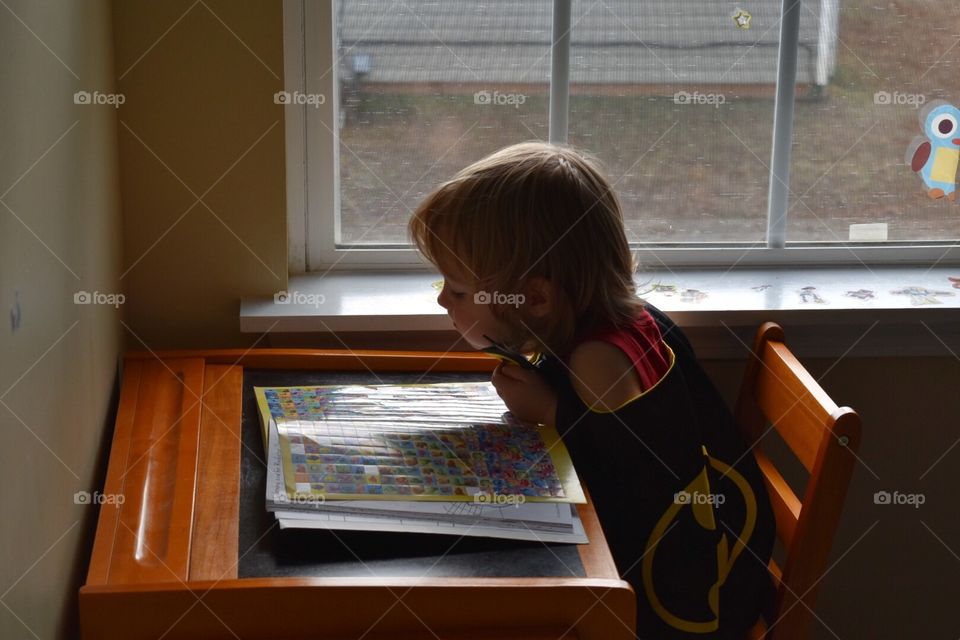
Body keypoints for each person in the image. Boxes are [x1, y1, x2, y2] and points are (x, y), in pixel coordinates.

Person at [408, 142, 775, 638]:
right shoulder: (625, 318)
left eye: (457, 290)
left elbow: (628, 483)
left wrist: (555, 411)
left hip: (673, 595)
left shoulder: (597, 359)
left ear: (535, 297)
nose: (441, 300)